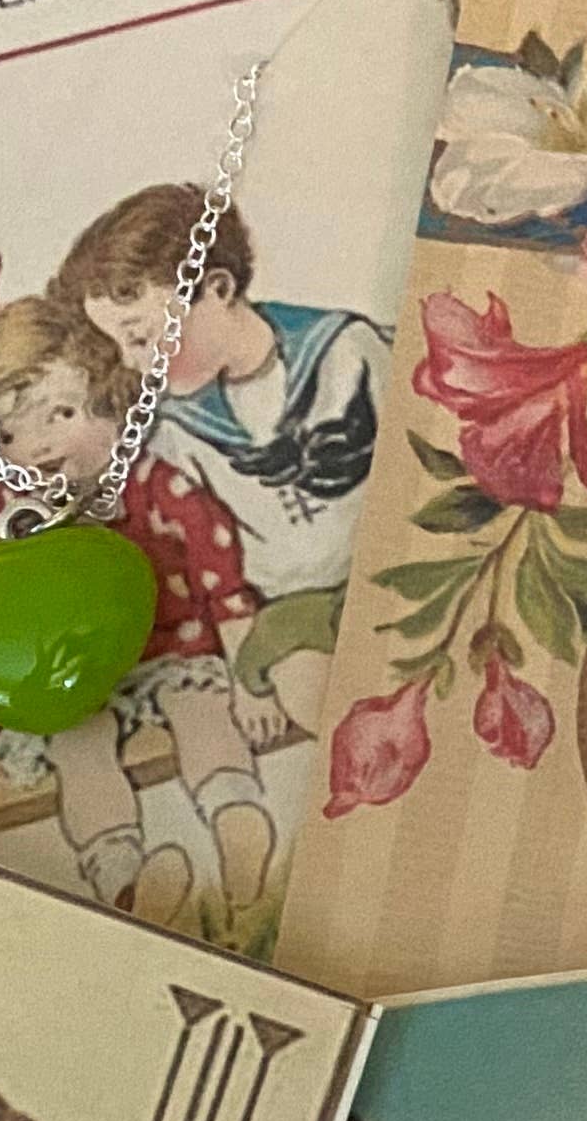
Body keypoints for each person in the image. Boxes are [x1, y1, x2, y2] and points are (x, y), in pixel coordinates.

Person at [0, 285, 276, 929]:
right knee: (81, 750)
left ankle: (239, 826)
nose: (40, 442)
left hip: (172, 652)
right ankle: (126, 883)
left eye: (62, 412)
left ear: (109, 398)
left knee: (202, 713)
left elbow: (223, 587)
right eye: (10, 431)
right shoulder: (6, 518)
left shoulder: (155, 487)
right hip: (65, 679)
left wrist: (251, 681)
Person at [53, 184, 376, 740]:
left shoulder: (345, 349)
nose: (136, 363)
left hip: (388, 566)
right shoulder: (176, 429)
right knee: (314, 695)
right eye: (122, 347)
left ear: (217, 289)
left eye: (141, 338)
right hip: (292, 612)